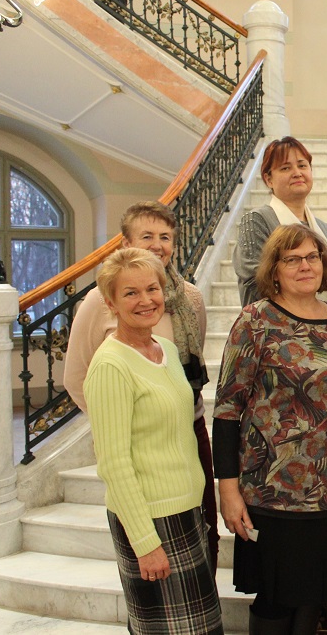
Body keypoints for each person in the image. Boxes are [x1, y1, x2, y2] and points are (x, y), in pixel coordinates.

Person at [214, 224, 327, 635]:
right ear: (274, 270)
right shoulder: (256, 320)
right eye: (292, 259)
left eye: (312, 257)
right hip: (273, 488)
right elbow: (227, 409)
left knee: (314, 592)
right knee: (277, 596)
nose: (304, 266)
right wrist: (228, 490)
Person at [64, 201, 219, 572]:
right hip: (139, 437)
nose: (157, 245)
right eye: (146, 236)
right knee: (154, 540)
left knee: (203, 527)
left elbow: (184, 367)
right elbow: (76, 376)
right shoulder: (100, 301)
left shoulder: (190, 299)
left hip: (189, 426)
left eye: (165, 237)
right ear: (126, 242)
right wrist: (117, 420)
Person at [84, 248, 223, 635]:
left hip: (187, 510)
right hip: (151, 520)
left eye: (152, 289)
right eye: (130, 293)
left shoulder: (168, 350)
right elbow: (114, 465)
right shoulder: (111, 365)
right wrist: (145, 542)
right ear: (110, 302)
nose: (145, 300)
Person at [234, 137, 327, 307]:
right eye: (285, 168)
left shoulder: (324, 229)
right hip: (276, 322)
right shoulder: (257, 221)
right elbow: (257, 282)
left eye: (302, 166)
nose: (297, 173)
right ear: (268, 179)